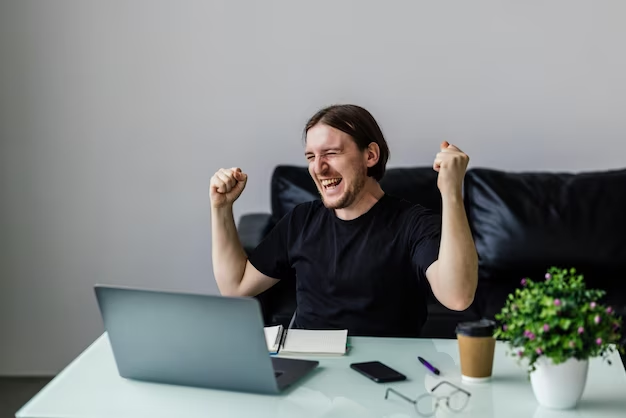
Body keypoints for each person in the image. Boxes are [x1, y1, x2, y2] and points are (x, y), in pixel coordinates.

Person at [210, 104, 478, 337]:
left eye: (331, 153)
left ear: (370, 155)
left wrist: (451, 191)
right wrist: (221, 208)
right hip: (308, 369)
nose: (318, 167)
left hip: (385, 373)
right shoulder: (302, 219)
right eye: (311, 157)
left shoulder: (413, 223)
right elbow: (236, 287)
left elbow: (458, 297)